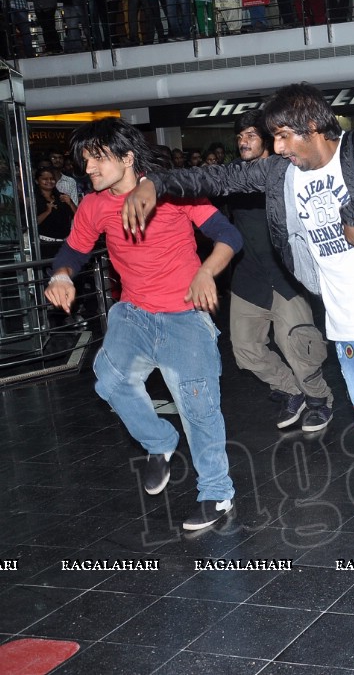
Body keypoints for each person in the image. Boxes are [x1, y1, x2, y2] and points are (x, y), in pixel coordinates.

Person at [122, 83, 354, 567]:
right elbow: (221, 177)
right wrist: (156, 184)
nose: (277, 148)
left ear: (312, 128)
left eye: (284, 136)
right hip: (347, 329)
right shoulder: (281, 174)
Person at [47, 119, 241, 531]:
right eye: (85, 162)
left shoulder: (172, 192)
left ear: (128, 157)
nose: (90, 170)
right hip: (134, 314)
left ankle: (217, 493)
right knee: (109, 378)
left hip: (185, 315)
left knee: (199, 409)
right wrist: (62, 274)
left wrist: (207, 271)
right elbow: (73, 251)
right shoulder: (94, 205)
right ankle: (159, 442)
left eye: (97, 159)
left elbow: (228, 236)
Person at [227, 110, 336, 432]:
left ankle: (318, 399)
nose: (243, 141)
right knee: (245, 351)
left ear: (267, 140)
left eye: (250, 135)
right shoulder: (232, 176)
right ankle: (291, 388)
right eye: (239, 137)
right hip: (248, 279)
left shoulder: (288, 173)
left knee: (298, 346)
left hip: (286, 276)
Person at [34, 166, 76, 259]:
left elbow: (78, 217)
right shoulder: (34, 200)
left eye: (52, 179)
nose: (49, 181)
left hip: (65, 244)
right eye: (45, 179)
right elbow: (33, 223)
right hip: (45, 245)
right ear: (37, 181)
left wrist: (70, 203)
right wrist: (47, 212)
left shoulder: (62, 197)